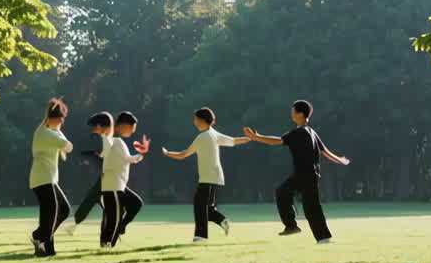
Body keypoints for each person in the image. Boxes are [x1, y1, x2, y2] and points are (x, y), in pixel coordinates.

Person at [243, 99, 350, 244]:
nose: (291, 113)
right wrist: (339, 160)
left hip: (304, 174)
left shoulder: (299, 132)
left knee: (289, 196)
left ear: (300, 114)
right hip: (310, 174)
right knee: (309, 205)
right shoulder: (311, 131)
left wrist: (256, 137)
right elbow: (325, 151)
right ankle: (321, 237)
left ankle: (293, 226)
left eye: (293, 111)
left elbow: (277, 141)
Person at [161, 107, 250, 242]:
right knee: (207, 208)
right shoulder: (213, 134)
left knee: (199, 206)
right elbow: (233, 141)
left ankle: (201, 236)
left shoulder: (202, 137)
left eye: (196, 119)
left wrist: (167, 153)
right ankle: (222, 220)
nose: (194, 122)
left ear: (202, 120)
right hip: (214, 176)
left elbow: (183, 154)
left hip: (208, 177)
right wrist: (249, 138)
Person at [93, 111, 147, 248]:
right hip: (113, 185)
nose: (133, 132)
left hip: (119, 185)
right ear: (123, 125)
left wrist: (141, 153)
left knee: (135, 203)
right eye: (132, 128)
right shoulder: (111, 139)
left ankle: (114, 234)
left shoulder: (118, 142)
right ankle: (108, 244)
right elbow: (104, 150)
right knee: (113, 217)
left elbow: (128, 159)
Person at [29, 99, 74, 257]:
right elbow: (68, 147)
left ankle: (45, 244)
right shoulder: (46, 134)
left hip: (49, 179)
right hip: (43, 179)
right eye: (60, 118)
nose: (62, 121)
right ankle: (39, 238)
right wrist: (59, 133)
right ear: (53, 119)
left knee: (63, 209)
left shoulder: (46, 130)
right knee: (52, 212)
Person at [63, 117, 106, 235]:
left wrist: (93, 155)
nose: (94, 129)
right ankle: (111, 233)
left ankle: (112, 232)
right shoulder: (100, 139)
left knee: (93, 202)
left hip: (111, 180)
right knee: (92, 202)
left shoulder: (108, 140)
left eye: (96, 126)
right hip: (104, 179)